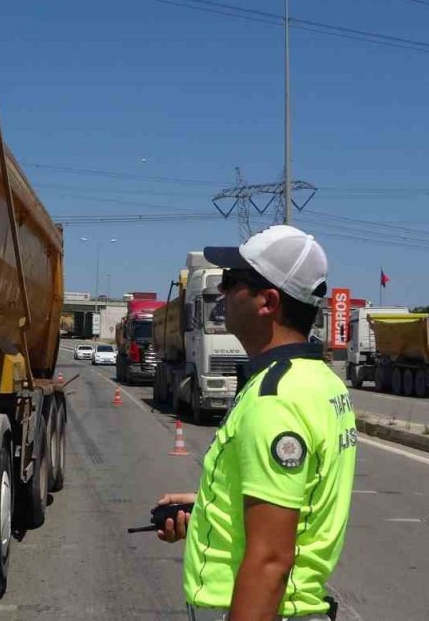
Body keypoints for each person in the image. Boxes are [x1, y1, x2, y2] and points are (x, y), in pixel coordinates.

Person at [157, 225, 357, 621]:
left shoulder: (275, 399)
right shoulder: (320, 382)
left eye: (232, 281)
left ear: (267, 301)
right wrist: (210, 507)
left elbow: (269, 560)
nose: (224, 291)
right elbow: (300, 501)